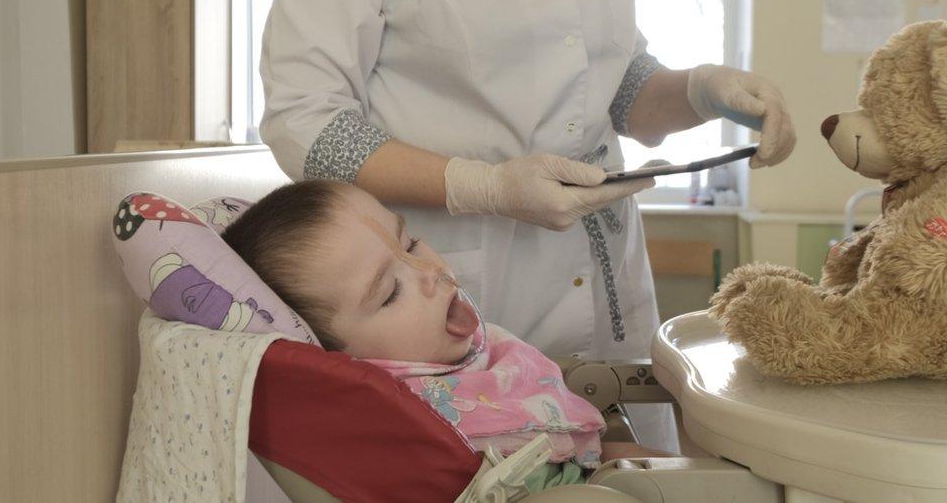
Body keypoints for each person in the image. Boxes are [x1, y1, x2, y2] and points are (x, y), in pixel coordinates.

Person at [259, 0, 796, 451]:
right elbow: (306, 123)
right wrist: (483, 185)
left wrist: (700, 92)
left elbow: (614, 84)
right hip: (454, 284)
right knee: (500, 467)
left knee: (630, 469)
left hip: (602, 267)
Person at [222, 180, 673, 492]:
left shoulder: (456, 359)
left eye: (412, 243)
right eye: (390, 292)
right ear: (337, 358)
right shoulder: (405, 426)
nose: (428, 271)